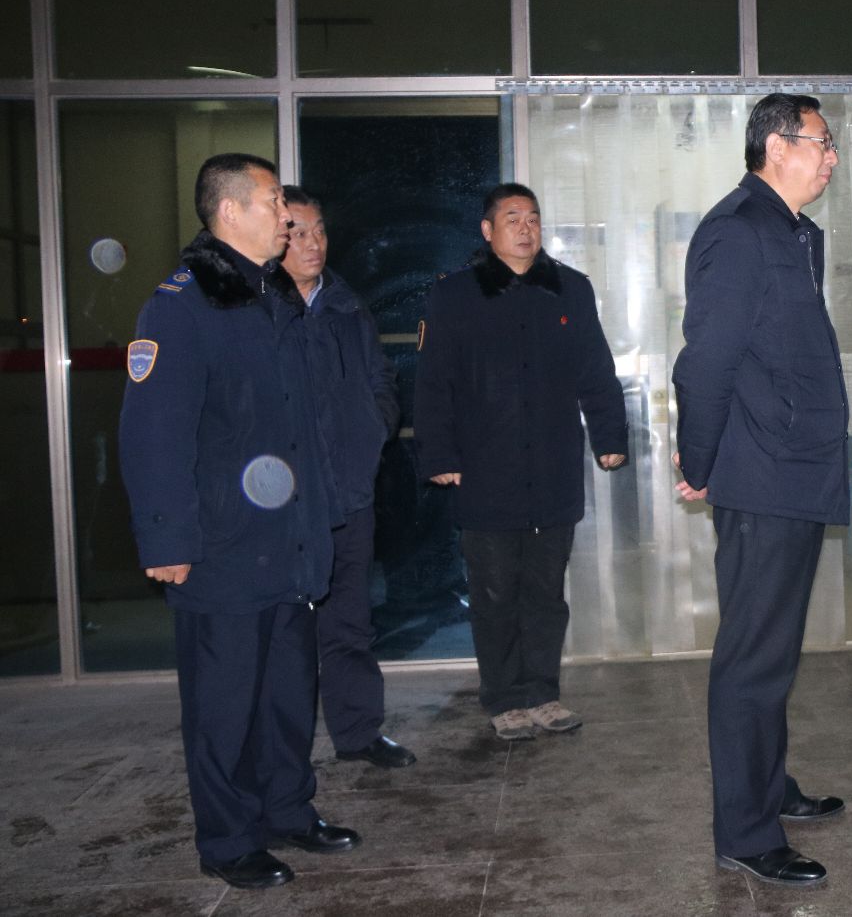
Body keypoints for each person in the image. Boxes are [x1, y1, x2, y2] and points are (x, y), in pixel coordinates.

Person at [119, 153, 360, 890]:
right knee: (223, 707)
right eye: (273, 201)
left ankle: (287, 808)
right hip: (222, 547)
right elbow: (155, 432)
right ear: (230, 212)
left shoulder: (273, 296)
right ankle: (227, 839)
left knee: (287, 694)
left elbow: (299, 426)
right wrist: (166, 538)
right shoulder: (183, 303)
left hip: (288, 542)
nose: (287, 215)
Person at [672, 93, 850, 889]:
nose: (831, 157)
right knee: (752, 659)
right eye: (822, 142)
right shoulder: (739, 230)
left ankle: (768, 787)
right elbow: (706, 359)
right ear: (777, 146)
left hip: (794, 466)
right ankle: (747, 831)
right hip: (763, 470)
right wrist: (699, 459)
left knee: (773, 653)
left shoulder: (790, 230)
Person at [412, 182, 627, 741]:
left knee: (546, 593)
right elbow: (433, 382)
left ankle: (543, 694)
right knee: (495, 594)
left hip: (553, 469)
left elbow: (596, 371)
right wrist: (438, 453)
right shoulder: (455, 295)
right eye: (512, 219)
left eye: (533, 218)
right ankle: (505, 698)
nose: (526, 229)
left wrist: (610, 436)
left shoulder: (570, 289)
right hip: (486, 470)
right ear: (488, 231)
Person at [278, 186, 414, 770]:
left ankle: (359, 733)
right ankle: (282, 750)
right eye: (298, 232)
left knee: (350, 622)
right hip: (285, 503)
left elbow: (380, 378)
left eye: (320, 231)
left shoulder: (345, 303)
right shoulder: (255, 306)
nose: (313, 244)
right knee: (284, 631)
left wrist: (374, 428)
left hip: (349, 493)